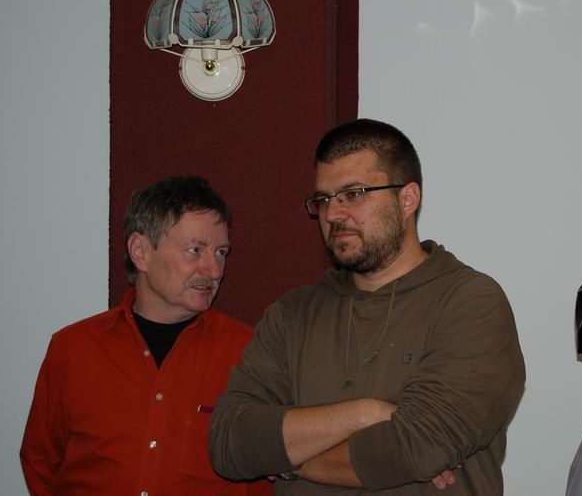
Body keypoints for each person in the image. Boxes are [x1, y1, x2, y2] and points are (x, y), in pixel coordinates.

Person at [209, 119, 525, 494]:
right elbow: (229, 442)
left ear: (407, 199)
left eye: (353, 194)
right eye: (323, 200)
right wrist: (365, 413)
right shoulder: (292, 314)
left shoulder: (470, 302)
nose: (332, 214)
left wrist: (283, 458)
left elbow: (418, 446)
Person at [20, 176, 271, 496]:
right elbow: (40, 460)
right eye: (195, 250)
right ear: (140, 252)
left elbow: (267, 472)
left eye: (221, 252)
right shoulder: (73, 349)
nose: (214, 270)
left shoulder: (248, 353)